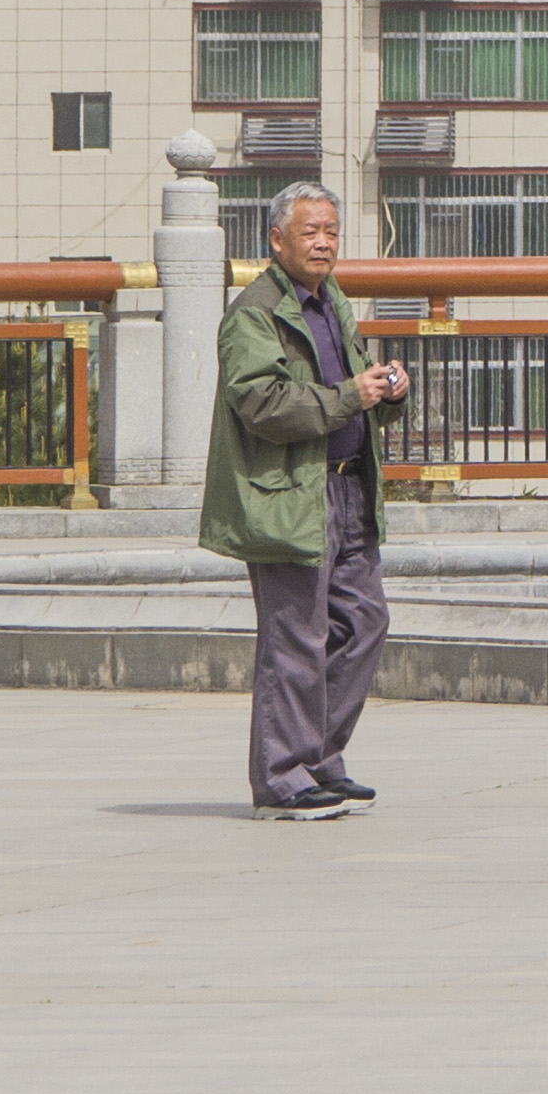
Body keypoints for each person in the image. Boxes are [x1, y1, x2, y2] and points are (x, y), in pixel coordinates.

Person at [197, 183, 410, 821]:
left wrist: (388, 390)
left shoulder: (330, 301)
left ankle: (318, 759)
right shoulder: (254, 313)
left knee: (365, 624)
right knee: (295, 639)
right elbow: (262, 403)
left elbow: (353, 385)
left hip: (347, 486)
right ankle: (283, 780)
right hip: (288, 496)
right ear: (276, 240)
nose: (323, 242)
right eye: (311, 231)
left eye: (332, 231)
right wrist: (351, 394)